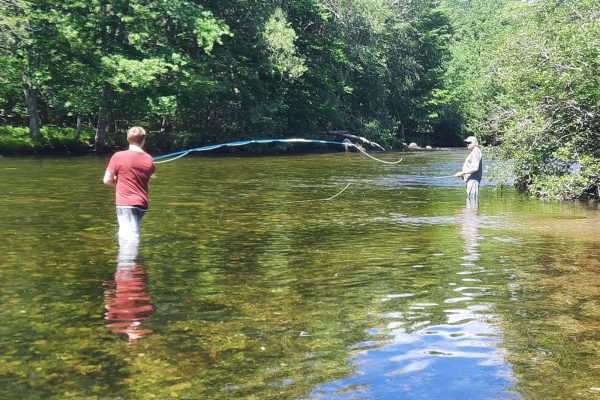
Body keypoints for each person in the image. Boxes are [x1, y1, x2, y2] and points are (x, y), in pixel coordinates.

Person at [103, 126, 155, 241]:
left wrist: (119, 180)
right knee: (128, 232)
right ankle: (133, 258)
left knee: (129, 236)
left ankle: (128, 257)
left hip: (126, 202)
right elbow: (144, 179)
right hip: (142, 203)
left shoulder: (118, 156)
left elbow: (107, 180)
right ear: (143, 140)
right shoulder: (149, 159)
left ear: (128, 139)